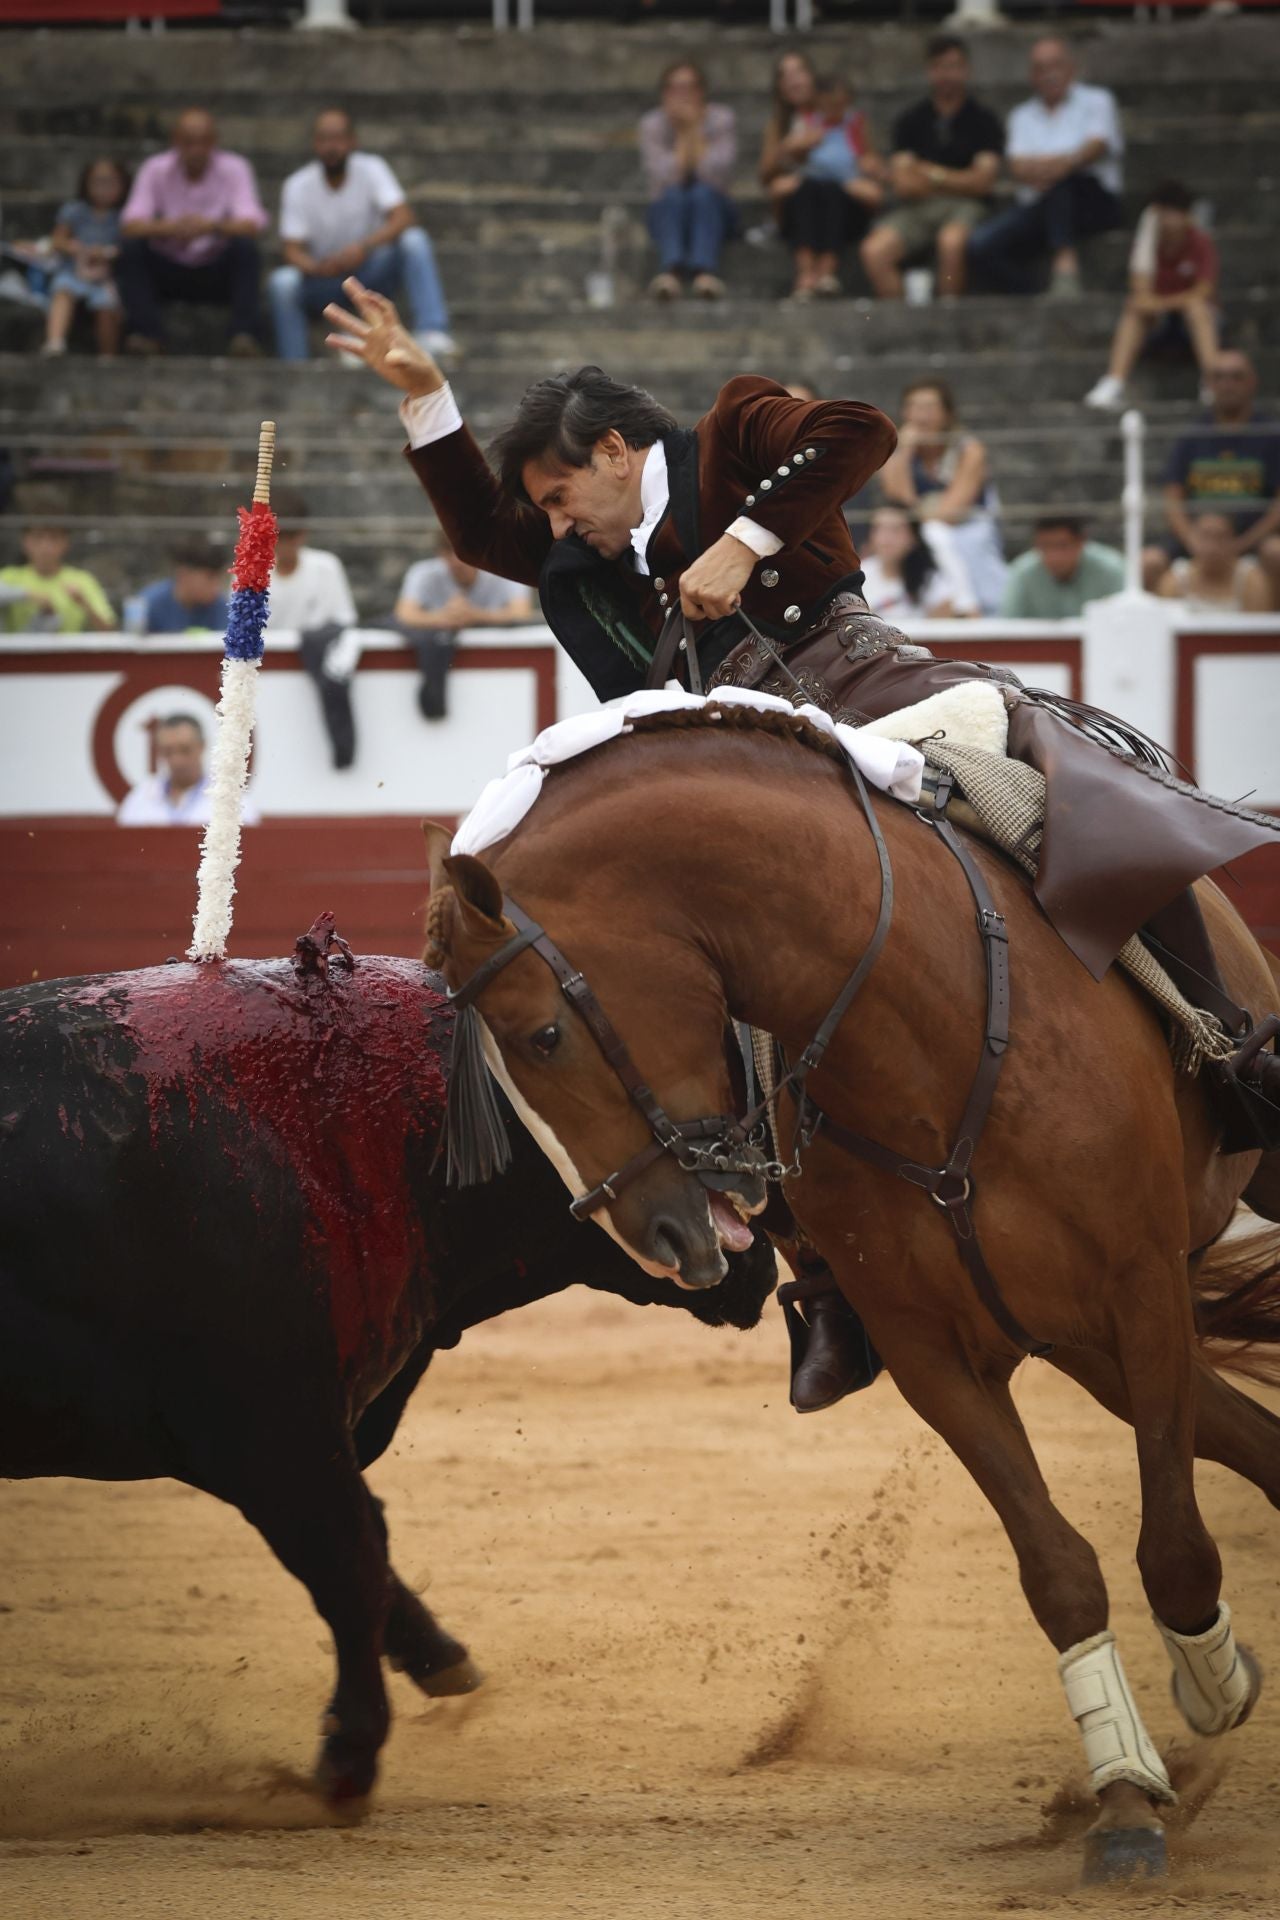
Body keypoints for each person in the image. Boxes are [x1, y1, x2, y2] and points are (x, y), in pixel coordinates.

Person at [326, 276, 1280, 1414]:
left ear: (619, 452)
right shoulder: (587, 554)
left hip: (880, 697)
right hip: (744, 772)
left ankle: (1233, 1053)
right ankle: (824, 1277)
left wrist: (742, 539)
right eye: (543, 507)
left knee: (1071, 803)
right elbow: (487, 533)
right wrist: (427, 396)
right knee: (706, 1013)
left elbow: (859, 431)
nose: (552, 521)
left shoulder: (732, 434)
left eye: (560, 492)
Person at [270, 108, 455, 362]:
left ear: (352, 141)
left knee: (414, 240)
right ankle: (295, 365)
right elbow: (291, 249)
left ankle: (433, 332)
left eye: (337, 138)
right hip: (323, 280)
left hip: (369, 273)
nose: (331, 147)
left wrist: (364, 248)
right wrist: (318, 267)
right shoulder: (297, 184)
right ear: (315, 144)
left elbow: (403, 217)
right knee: (282, 283)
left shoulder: (372, 168)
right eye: (324, 139)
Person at [968, 39, 1123, 299]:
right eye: (1040, 68)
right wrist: (1066, 161)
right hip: (1039, 206)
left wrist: (1056, 167)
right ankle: (1034, 294)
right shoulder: (1022, 115)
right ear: (1032, 75)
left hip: (1093, 203)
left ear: (1071, 68)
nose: (1049, 74)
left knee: (1066, 184)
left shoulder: (1097, 101)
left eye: (1056, 65)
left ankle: (1065, 267)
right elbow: (1018, 167)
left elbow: (1096, 147)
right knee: (979, 246)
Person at [860, 35, 1003, 302]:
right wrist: (960, 178)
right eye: (940, 66)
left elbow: (982, 183)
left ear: (966, 69)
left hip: (967, 207)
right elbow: (904, 184)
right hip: (918, 209)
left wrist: (929, 172)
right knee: (874, 250)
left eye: (954, 66)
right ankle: (903, 324)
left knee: (951, 243)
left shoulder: (984, 121)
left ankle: (945, 318)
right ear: (930, 70)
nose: (947, 74)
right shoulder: (910, 121)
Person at [118, 108, 267, 356]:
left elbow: (252, 223)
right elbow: (129, 224)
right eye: (189, 142)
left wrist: (212, 227)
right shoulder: (155, 168)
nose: (196, 150)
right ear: (175, 141)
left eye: (203, 142)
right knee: (131, 250)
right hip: (168, 267)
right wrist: (170, 227)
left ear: (214, 142)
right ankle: (147, 335)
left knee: (246, 248)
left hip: (216, 270)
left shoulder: (236, 168)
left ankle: (244, 336)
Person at [1150, 350, 1280, 602]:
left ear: (1252, 382)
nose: (1227, 384)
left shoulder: (1271, 435)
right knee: (1150, 563)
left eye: (1236, 377)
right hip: (1197, 539)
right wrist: (1193, 542)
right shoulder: (1191, 436)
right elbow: (1173, 500)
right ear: (1209, 384)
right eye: (1219, 377)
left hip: (1253, 536)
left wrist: (1241, 544)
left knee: (1276, 554)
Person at [759, 55, 884, 301]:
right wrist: (789, 151)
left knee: (830, 191)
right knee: (809, 189)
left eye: (799, 72)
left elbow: (872, 171)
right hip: (802, 204)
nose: (793, 80)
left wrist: (868, 173)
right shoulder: (788, 125)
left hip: (842, 204)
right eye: (785, 75)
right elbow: (767, 177)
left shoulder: (853, 124)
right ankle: (807, 272)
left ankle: (825, 270)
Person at [1084, 184, 1219, 412]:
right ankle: (1114, 381)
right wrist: (1162, 304)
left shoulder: (1200, 242)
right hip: (1159, 323)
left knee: (1197, 309)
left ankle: (1213, 380)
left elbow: (1204, 291)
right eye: (1162, 213)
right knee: (1134, 309)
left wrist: (1165, 302)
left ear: (1186, 216)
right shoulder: (1146, 243)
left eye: (1172, 213)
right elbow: (1140, 292)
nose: (1168, 220)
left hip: (1193, 322)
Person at [878, 378, 1007, 612]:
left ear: (947, 414)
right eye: (914, 408)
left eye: (929, 408)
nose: (921, 416)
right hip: (918, 532)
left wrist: (918, 515)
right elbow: (896, 502)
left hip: (965, 531)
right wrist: (904, 452)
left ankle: (969, 606)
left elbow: (950, 511)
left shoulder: (969, 450)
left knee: (937, 534)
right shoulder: (897, 450)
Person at [267, 491, 361, 770]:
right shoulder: (250, 574)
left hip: (319, 679)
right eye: (275, 538)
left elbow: (345, 624)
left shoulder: (326, 568)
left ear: (302, 536)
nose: (281, 546)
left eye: (288, 538)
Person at [394, 539, 533, 719]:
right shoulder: (424, 572)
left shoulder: (503, 569)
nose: (456, 562)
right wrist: (443, 618)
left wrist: (474, 615)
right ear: (441, 555)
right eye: (448, 554)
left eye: (460, 554)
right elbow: (404, 615)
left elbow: (522, 613)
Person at [638, 63, 737, 302]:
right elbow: (667, 177)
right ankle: (671, 271)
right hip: (668, 209)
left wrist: (693, 129)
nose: (682, 95)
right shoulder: (651, 123)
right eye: (675, 88)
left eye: (689, 87)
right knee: (674, 194)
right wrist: (685, 134)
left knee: (702, 193)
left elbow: (715, 175)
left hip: (715, 209)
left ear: (701, 91)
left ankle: (704, 272)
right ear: (664, 93)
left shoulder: (722, 118)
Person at [41, 158, 129, 360]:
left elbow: (128, 248)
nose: (103, 189)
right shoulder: (74, 210)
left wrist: (107, 253)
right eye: (97, 182)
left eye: (110, 183)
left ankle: (108, 355)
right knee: (62, 291)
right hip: (74, 271)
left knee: (107, 305)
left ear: (123, 185)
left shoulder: (124, 216)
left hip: (106, 277)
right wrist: (75, 247)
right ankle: (55, 341)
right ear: (85, 184)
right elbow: (57, 240)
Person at [117, 712, 259, 827]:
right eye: (168, 751)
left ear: (202, 746)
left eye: (185, 750)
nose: (176, 760)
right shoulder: (139, 799)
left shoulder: (232, 800)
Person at [859, 504, 977, 619]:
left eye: (895, 530)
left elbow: (954, 614)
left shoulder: (929, 579)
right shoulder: (860, 574)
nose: (886, 539)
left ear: (913, 537)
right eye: (878, 529)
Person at [999, 516, 1126, 619]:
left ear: (1081, 543)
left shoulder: (1111, 569)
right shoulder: (1022, 574)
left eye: (1062, 546)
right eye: (1046, 546)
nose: (1054, 557)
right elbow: (1007, 625)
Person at [0, 523, 114, 633]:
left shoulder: (82, 580)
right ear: (25, 542)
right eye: (38, 537)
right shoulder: (9, 576)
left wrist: (83, 602)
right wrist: (26, 595)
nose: (45, 546)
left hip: (70, 651)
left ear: (66, 543)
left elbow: (108, 629)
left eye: (54, 538)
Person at [1155, 509, 1270, 613]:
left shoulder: (1251, 580)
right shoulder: (1174, 581)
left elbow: (1257, 630)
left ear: (1233, 540)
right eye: (1205, 537)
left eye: (1220, 538)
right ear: (1192, 539)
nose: (1212, 547)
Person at [130, 542, 229, 635]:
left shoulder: (220, 607)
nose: (216, 587)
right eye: (209, 578)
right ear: (184, 574)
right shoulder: (148, 605)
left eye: (219, 579)